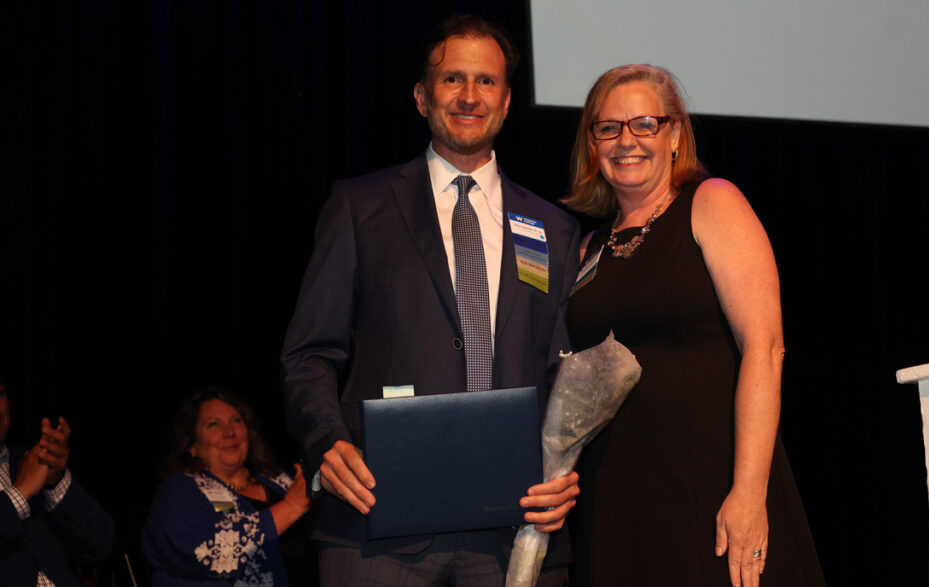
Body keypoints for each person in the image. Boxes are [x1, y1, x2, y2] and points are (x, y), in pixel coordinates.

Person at [280, 13, 581, 587]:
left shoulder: (553, 229)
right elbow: (307, 355)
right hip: (377, 526)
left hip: (516, 530)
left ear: (508, 100)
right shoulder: (358, 208)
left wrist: (568, 466)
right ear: (422, 97)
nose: (470, 96)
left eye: (486, 81)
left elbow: (565, 376)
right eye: (452, 80)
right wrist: (327, 440)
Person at [563, 65, 826, 587]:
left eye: (644, 123)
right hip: (618, 502)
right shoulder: (587, 248)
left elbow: (765, 346)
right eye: (608, 128)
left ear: (676, 133)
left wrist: (748, 492)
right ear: (592, 144)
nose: (626, 141)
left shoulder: (712, 204)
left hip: (711, 487)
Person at [141, 387, 312, 586]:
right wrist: (291, 508)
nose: (229, 432)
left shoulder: (277, 479)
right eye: (214, 424)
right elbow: (207, 551)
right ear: (191, 445)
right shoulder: (178, 490)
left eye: (236, 421)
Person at [0, 377, 115, 586]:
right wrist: (19, 494)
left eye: (0, 393)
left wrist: (56, 485)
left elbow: (100, 545)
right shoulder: (27, 477)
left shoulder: (29, 461)